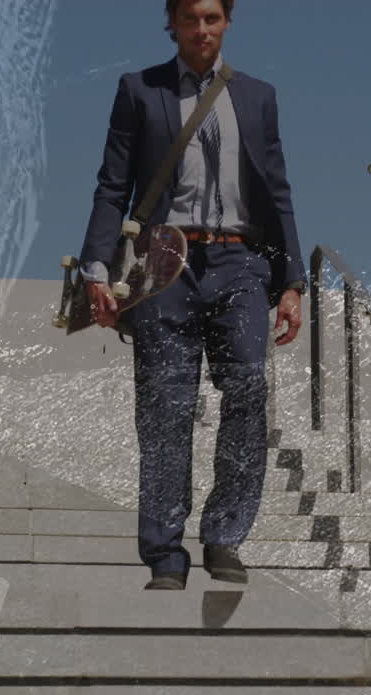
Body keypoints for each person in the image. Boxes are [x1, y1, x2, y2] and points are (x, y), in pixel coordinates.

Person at [76, 0, 306, 590]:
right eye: (190, 19)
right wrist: (96, 269)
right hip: (162, 261)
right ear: (172, 24)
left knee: (249, 389)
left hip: (240, 260)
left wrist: (292, 282)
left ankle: (225, 536)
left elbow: (277, 191)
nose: (201, 30)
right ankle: (165, 554)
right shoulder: (139, 90)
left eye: (211, 18)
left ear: (227, 21)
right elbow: (112, 186)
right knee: (164, 408)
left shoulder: (258, 96)